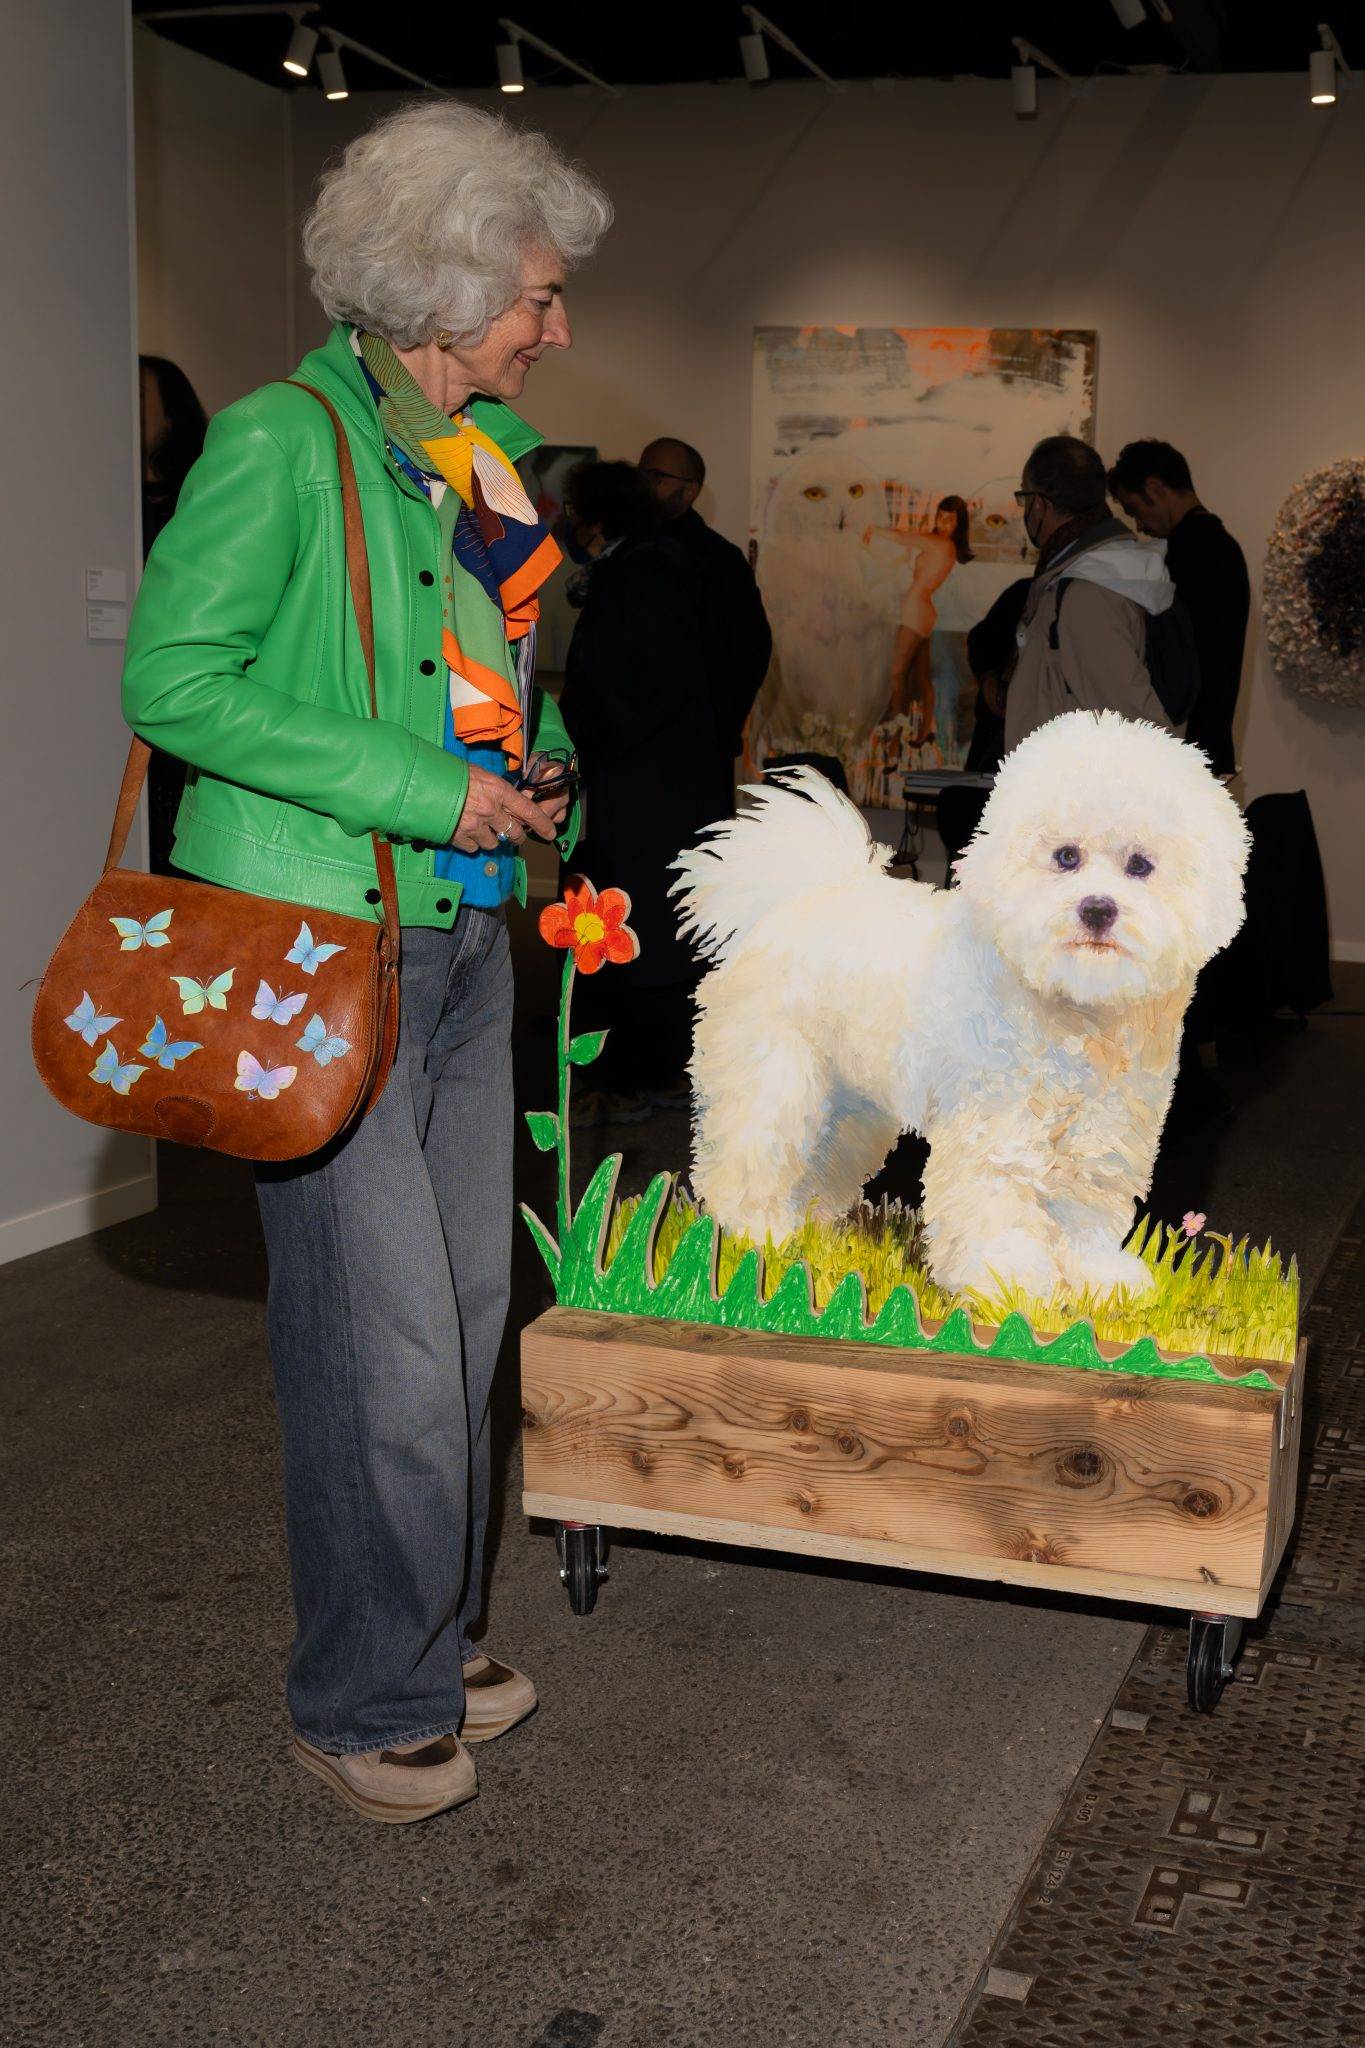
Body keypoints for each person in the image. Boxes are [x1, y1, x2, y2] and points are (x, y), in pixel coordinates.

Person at [121, 101, 611, 1825]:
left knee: (469, 1314)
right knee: (378, 1340)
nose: (557, 327)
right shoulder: (277, 442)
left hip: (468, 939)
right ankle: (362, 1690)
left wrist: (531, 773)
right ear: (439, 288)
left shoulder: (472, 463)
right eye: (536, 296)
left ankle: (420, 1624)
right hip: (320, 946)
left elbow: (481, 690)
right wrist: (434, 785)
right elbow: (173, 685)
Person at [559, 459, 730, 1123]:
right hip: (669, 784)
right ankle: (654, 1075)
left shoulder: (641, 576)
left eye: (575, 511)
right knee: (658, 928)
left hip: (640, 790)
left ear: (596, 516)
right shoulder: (671, 568)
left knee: (636, 931)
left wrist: (575, 748)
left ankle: (636, 1081)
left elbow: (620, 691)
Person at [1005, 436, 1177, 753]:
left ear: (1040, 504)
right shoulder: (1098, 573)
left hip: (1080, 795)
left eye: (1025, 498)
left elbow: (1131, 718)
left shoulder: (1087, 592)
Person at [1107, 439, 1250, 776]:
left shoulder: (1185, 554)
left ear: (1153, 488)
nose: (1139, 526)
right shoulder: (1226, 547)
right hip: (1211, 744)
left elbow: (1172, 665)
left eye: (1134, 510)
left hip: (1183, 753)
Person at [638, 436, 772, 762]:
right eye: (641, 473)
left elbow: (753, 649)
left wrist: (721, 724)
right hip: (629, 750)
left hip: (695, 749)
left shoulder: (721, 561)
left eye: (657, 476)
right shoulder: (625, 549)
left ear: (690, 490)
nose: (644, 484)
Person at [139, 356, 209, 875]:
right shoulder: (114, 501)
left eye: (138, 396)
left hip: (189, 706)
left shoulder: (196, 494)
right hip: (153, 695)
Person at [935, 575, 1030, 869]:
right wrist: (989, 677)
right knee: (974, 815)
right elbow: (981, 639)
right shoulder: (1025, 593)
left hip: (1032, 733)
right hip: (994, 728)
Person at [864, 494, 974, 744]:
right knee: (921, 678)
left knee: (896, 673)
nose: (944, 523)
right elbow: (906, 554)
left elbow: (904, 538)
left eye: (950, 519)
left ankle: (895, 733)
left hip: (915, 608)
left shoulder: (941, 544)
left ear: (959, 523)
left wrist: (874, 529)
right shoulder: (944, 547)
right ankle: (925, 730)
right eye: (941, 517)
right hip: (926, 611)